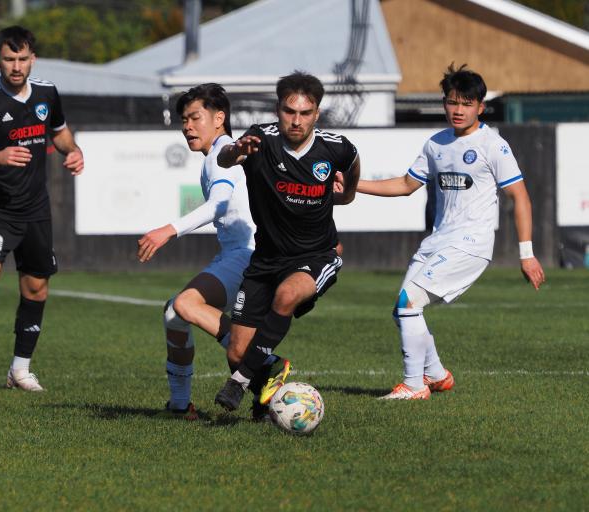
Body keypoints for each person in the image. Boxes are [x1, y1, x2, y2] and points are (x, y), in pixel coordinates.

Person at [355, 63, 545, 400]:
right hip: (438, 240)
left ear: (480, 107)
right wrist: (354, 185)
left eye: (466, 104)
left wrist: (526, 255)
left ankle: (414, 387)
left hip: (471, 244)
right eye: (452, 102)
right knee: (401, 312)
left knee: (408, 302)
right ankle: (438, 375)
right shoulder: (435, 144)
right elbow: (404, 184)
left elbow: (520, 197)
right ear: (444, 103)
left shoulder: (492, 145)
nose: (458, 110)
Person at [137, 83, 288, 420]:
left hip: (245, 254)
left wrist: (168, 230)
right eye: (183, 119)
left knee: (186, 303)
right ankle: (180, 406)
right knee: (174, 314)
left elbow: (219, 205)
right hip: (242, 252)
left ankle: (264, 363)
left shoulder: (221, 155)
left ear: (219, 118)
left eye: (195, 117)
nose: (187, 125)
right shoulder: (225, 153)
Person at [213, 71, 360, 412]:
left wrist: (345, 195)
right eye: (288, 111)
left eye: (305, 113)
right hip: (266, 259)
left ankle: (237, 384)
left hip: (316, 255)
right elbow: (224, 160)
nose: (296, 120)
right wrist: (236, 150)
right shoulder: (258, 140)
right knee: (236, 352)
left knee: (287, 295)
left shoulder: (336, 148)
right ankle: (268, 398)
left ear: (317, 114)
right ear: (278, 109)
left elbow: (352, 169)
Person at [0, 25, 84, 395]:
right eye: (9, 59)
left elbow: (59, 132)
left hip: (36, 211)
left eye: (22, 59)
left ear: (33, 58)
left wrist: (73, 151)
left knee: (36, 289)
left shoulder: (47, 93)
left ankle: (19, 370)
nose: (16, 66)